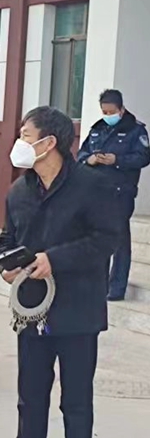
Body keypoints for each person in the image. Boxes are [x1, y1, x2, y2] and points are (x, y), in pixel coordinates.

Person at [0, 106, 120, 438]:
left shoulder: (92, 186)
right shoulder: (20, 190)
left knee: (75, 400)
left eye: (26, 135)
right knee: (30, 396)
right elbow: (8, 239)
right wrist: (6, 266)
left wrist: (55, 259)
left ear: (50, 142)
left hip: (78, 310)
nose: (19, 143)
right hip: (33, 310)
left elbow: (106, 240)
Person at [77, 89, 150, 301]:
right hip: (96, 192)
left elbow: (143, 157)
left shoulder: (136, 130)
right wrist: (89, 159)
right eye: (104, 112)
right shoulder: (98, 128)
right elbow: (81, 153)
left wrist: (116, 160)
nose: (107, 115)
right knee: (97, 237)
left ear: (121, 109)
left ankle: (117, 287)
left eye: (111, 111)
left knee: (119, 240)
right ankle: (98, 283)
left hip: (120, 192)